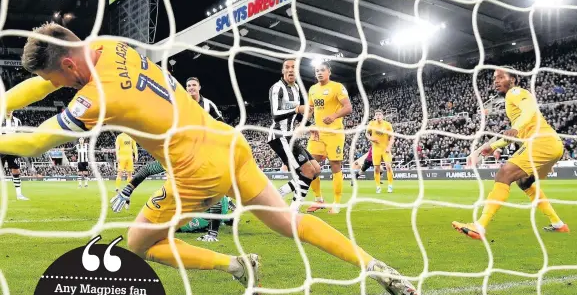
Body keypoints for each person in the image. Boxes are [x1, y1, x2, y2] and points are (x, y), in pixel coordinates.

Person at [0, 23, 416, 294]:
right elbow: (37, 90)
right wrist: (5, 103)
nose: (55, 86)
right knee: (288, 221)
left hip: (195, 170)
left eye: (55, 79)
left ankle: (233, 264)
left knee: (140, 243)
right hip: (227, 142)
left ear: (70, 65)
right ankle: (378, 268)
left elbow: (35, 143)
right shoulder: (108, 45)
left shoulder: (95, 97)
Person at [452, 68, 569, 240]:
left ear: (513, 79)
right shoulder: (510, 100)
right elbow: (516, 134)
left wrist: (515, 128)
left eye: (501, 77)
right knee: (524, 182)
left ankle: (479, 226)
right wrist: (493, 146)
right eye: (494, 79)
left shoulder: (516, 92)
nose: (496, 81)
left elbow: (529, 111)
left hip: (541, 142)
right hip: (551, 145)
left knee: (504, 174)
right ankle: (558, 224)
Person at [111, 161, 232, 243]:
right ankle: (226, 217)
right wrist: (128, 189)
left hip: (210, 207)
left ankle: (220, 220)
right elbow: (147, 169)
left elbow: (216, 198)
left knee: (175, 226)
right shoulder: (174, 158)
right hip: (203, 203)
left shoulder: (200, 166)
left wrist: (212, 234)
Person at [268, 59, 320, 210]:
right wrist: (297, 109)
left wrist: (310, 126)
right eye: (287, 67)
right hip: (279, 136)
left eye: (294, 67)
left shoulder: (296, 88)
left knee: (316, 169)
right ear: (283, 71)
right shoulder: (277, 88)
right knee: (308, 171)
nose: (291, 70)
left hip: (290, 136)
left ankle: (277, 195)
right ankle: (293, 210)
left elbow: (296, 115)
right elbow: (275, 115)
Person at [306, 62, 352, 214]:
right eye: (317, 71)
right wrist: (307, 125)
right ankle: (319, 200)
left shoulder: (337, 87)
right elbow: (310, 110)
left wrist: (334, 116)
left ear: (329, 72)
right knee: (309, 166)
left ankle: (337, 203)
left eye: (322, 70)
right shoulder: (312, 89)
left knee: (335, 166)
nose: (319, 73)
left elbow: (348, 107)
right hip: (318, 134)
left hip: (334, 133)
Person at [0, 111, 28, 200]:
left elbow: (19, 135)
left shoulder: (17, 121)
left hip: (13, 149)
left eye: (11, 109)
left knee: (16, 170)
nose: (9, 111)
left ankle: (19, 195)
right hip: (1, 148)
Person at [367, 110, 394, 193]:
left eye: (379, 114)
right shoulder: (371, 124)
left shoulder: (387, 125)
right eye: (376, 114)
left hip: (385, 149)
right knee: (376, 169)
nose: (378, 116)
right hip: (376, 149)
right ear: (375, 116)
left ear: (383, 116)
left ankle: (390, 185)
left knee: (388, 166)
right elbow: (367, 134)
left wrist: (389, 147)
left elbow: (392, 137)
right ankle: (378, 186)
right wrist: (371, 138)